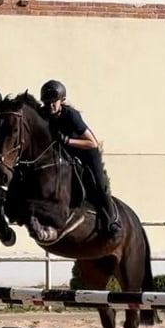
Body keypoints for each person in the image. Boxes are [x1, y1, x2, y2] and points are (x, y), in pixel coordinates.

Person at [39, 79, 122, 238]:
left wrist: (68, 140)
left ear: (61, 101)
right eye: (47, 102)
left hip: (86, 152)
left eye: (54, 102)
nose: (50, 106)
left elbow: (92, 142)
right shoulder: (43, 114)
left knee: (98, 183)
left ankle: (111, 222)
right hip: (64, 153)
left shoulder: (71, 116)